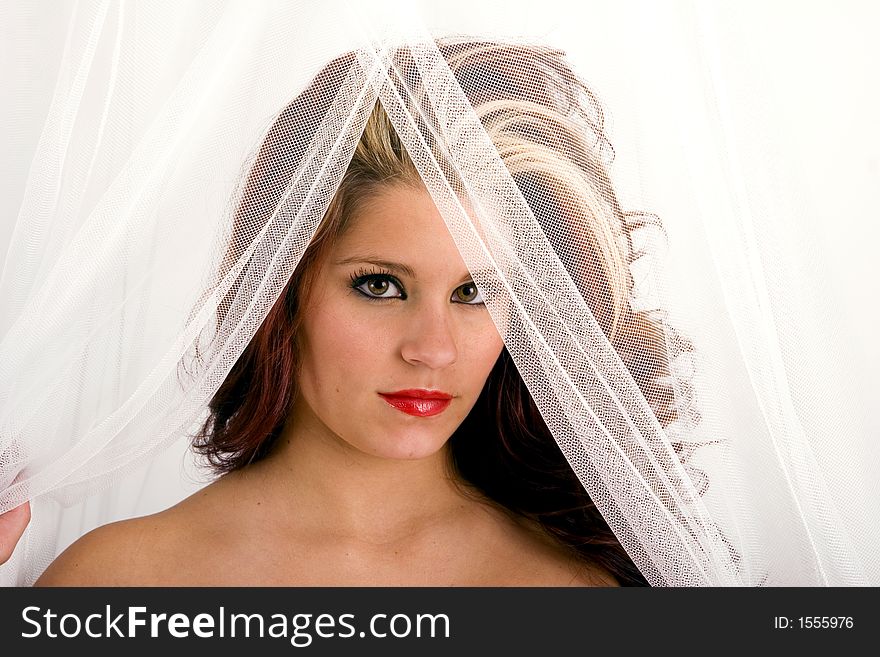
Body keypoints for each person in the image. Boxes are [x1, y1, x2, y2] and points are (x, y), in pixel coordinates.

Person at [30, 39, 689, 586]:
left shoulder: (574, 592)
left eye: (475, 292)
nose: (432, 348)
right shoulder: (115, 583)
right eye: (380, 285)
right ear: (283, 284)